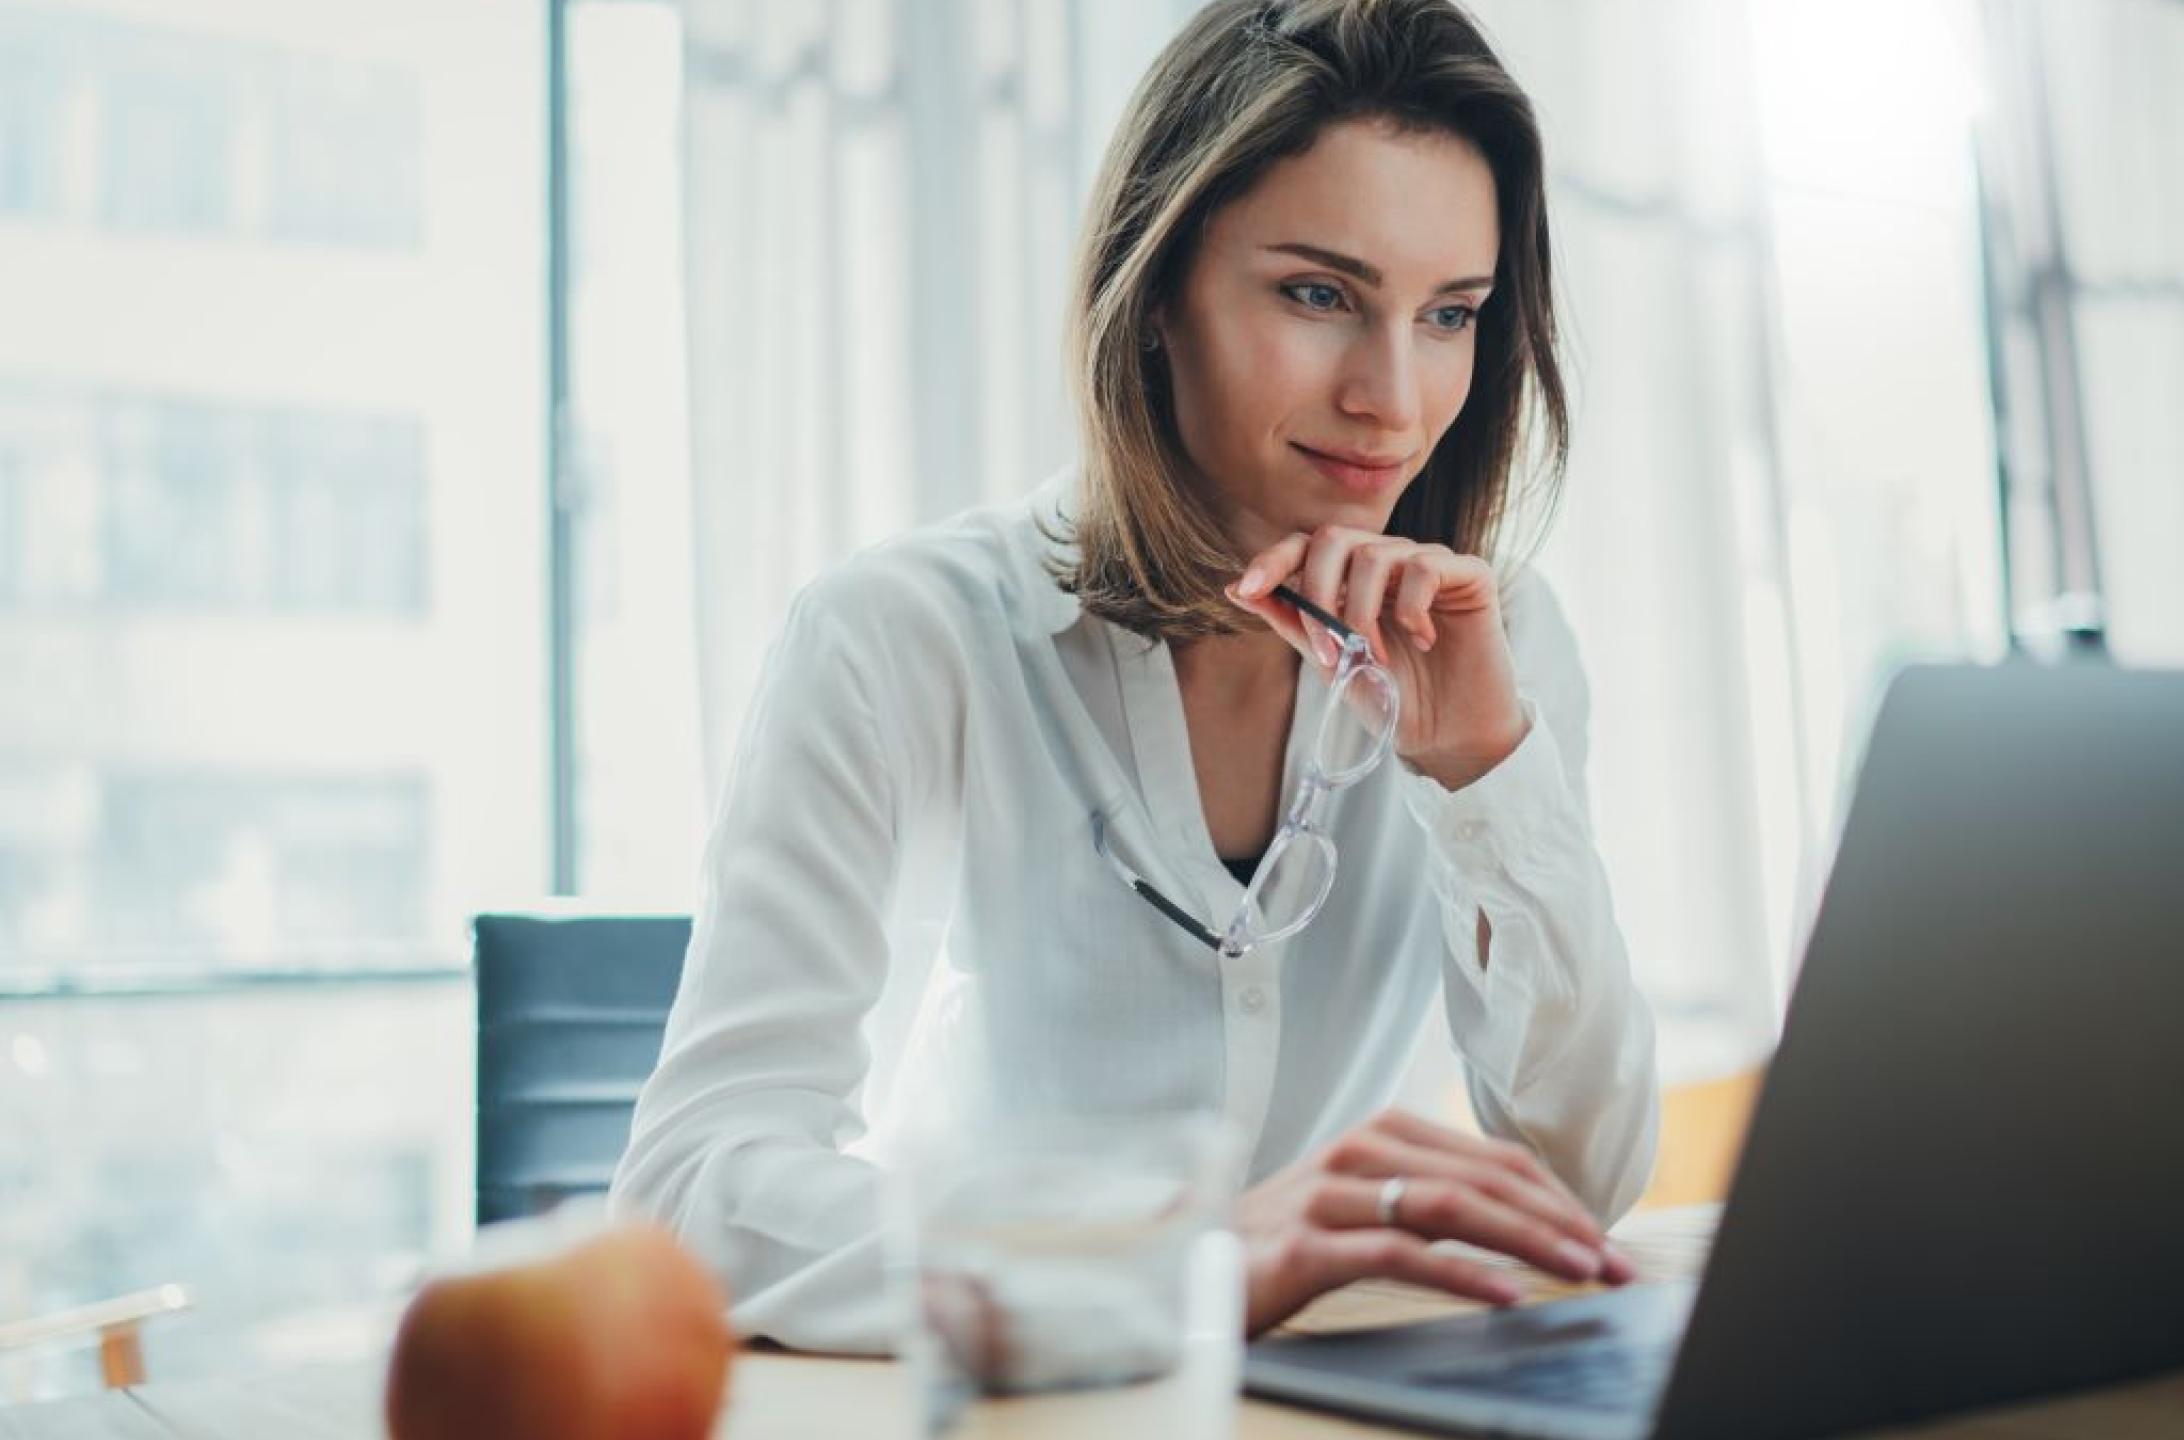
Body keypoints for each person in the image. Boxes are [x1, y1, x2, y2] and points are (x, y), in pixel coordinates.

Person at [611, 0, 1662, 1349]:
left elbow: (1579, 1182)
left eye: (1450, 314)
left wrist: (1485, 782)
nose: (1394, 399)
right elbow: (692, 1189)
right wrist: (1165, 1264)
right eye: (1318, 294)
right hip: (1013, 1404)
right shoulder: (900, 636)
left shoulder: (1493, 643)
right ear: (1159, 288)